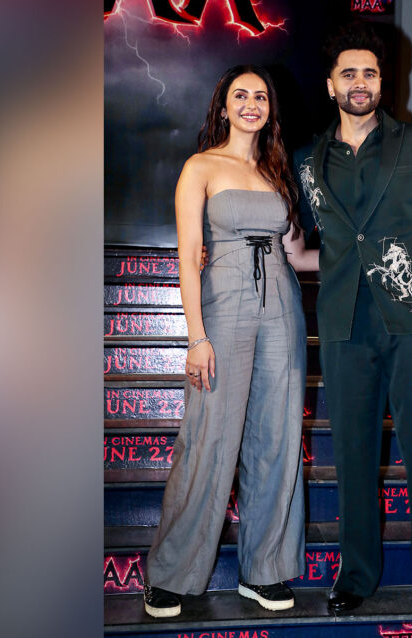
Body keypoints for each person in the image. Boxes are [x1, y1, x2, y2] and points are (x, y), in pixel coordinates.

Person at [294, 23, 412, 613]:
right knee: (353, 454)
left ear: (381, 80)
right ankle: (356, 574)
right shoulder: (307, 161)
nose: (360, 82)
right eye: (349, 73)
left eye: (369, 72)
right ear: (331, 85)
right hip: (343, 323)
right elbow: (308, 239)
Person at [144, 65, 318, 618]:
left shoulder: (278, 171)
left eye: (260, 96)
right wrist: (196, 336)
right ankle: (171, 573)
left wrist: (361, 255)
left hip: (282, 309)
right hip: (223, 307)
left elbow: (296, 255)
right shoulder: (200, 166)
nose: (251, 104)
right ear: (224, 107)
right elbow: (187, 258)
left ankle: (263, 571)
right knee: (207, 438)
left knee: (277, 438)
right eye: (240, 95)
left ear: (270, 109)